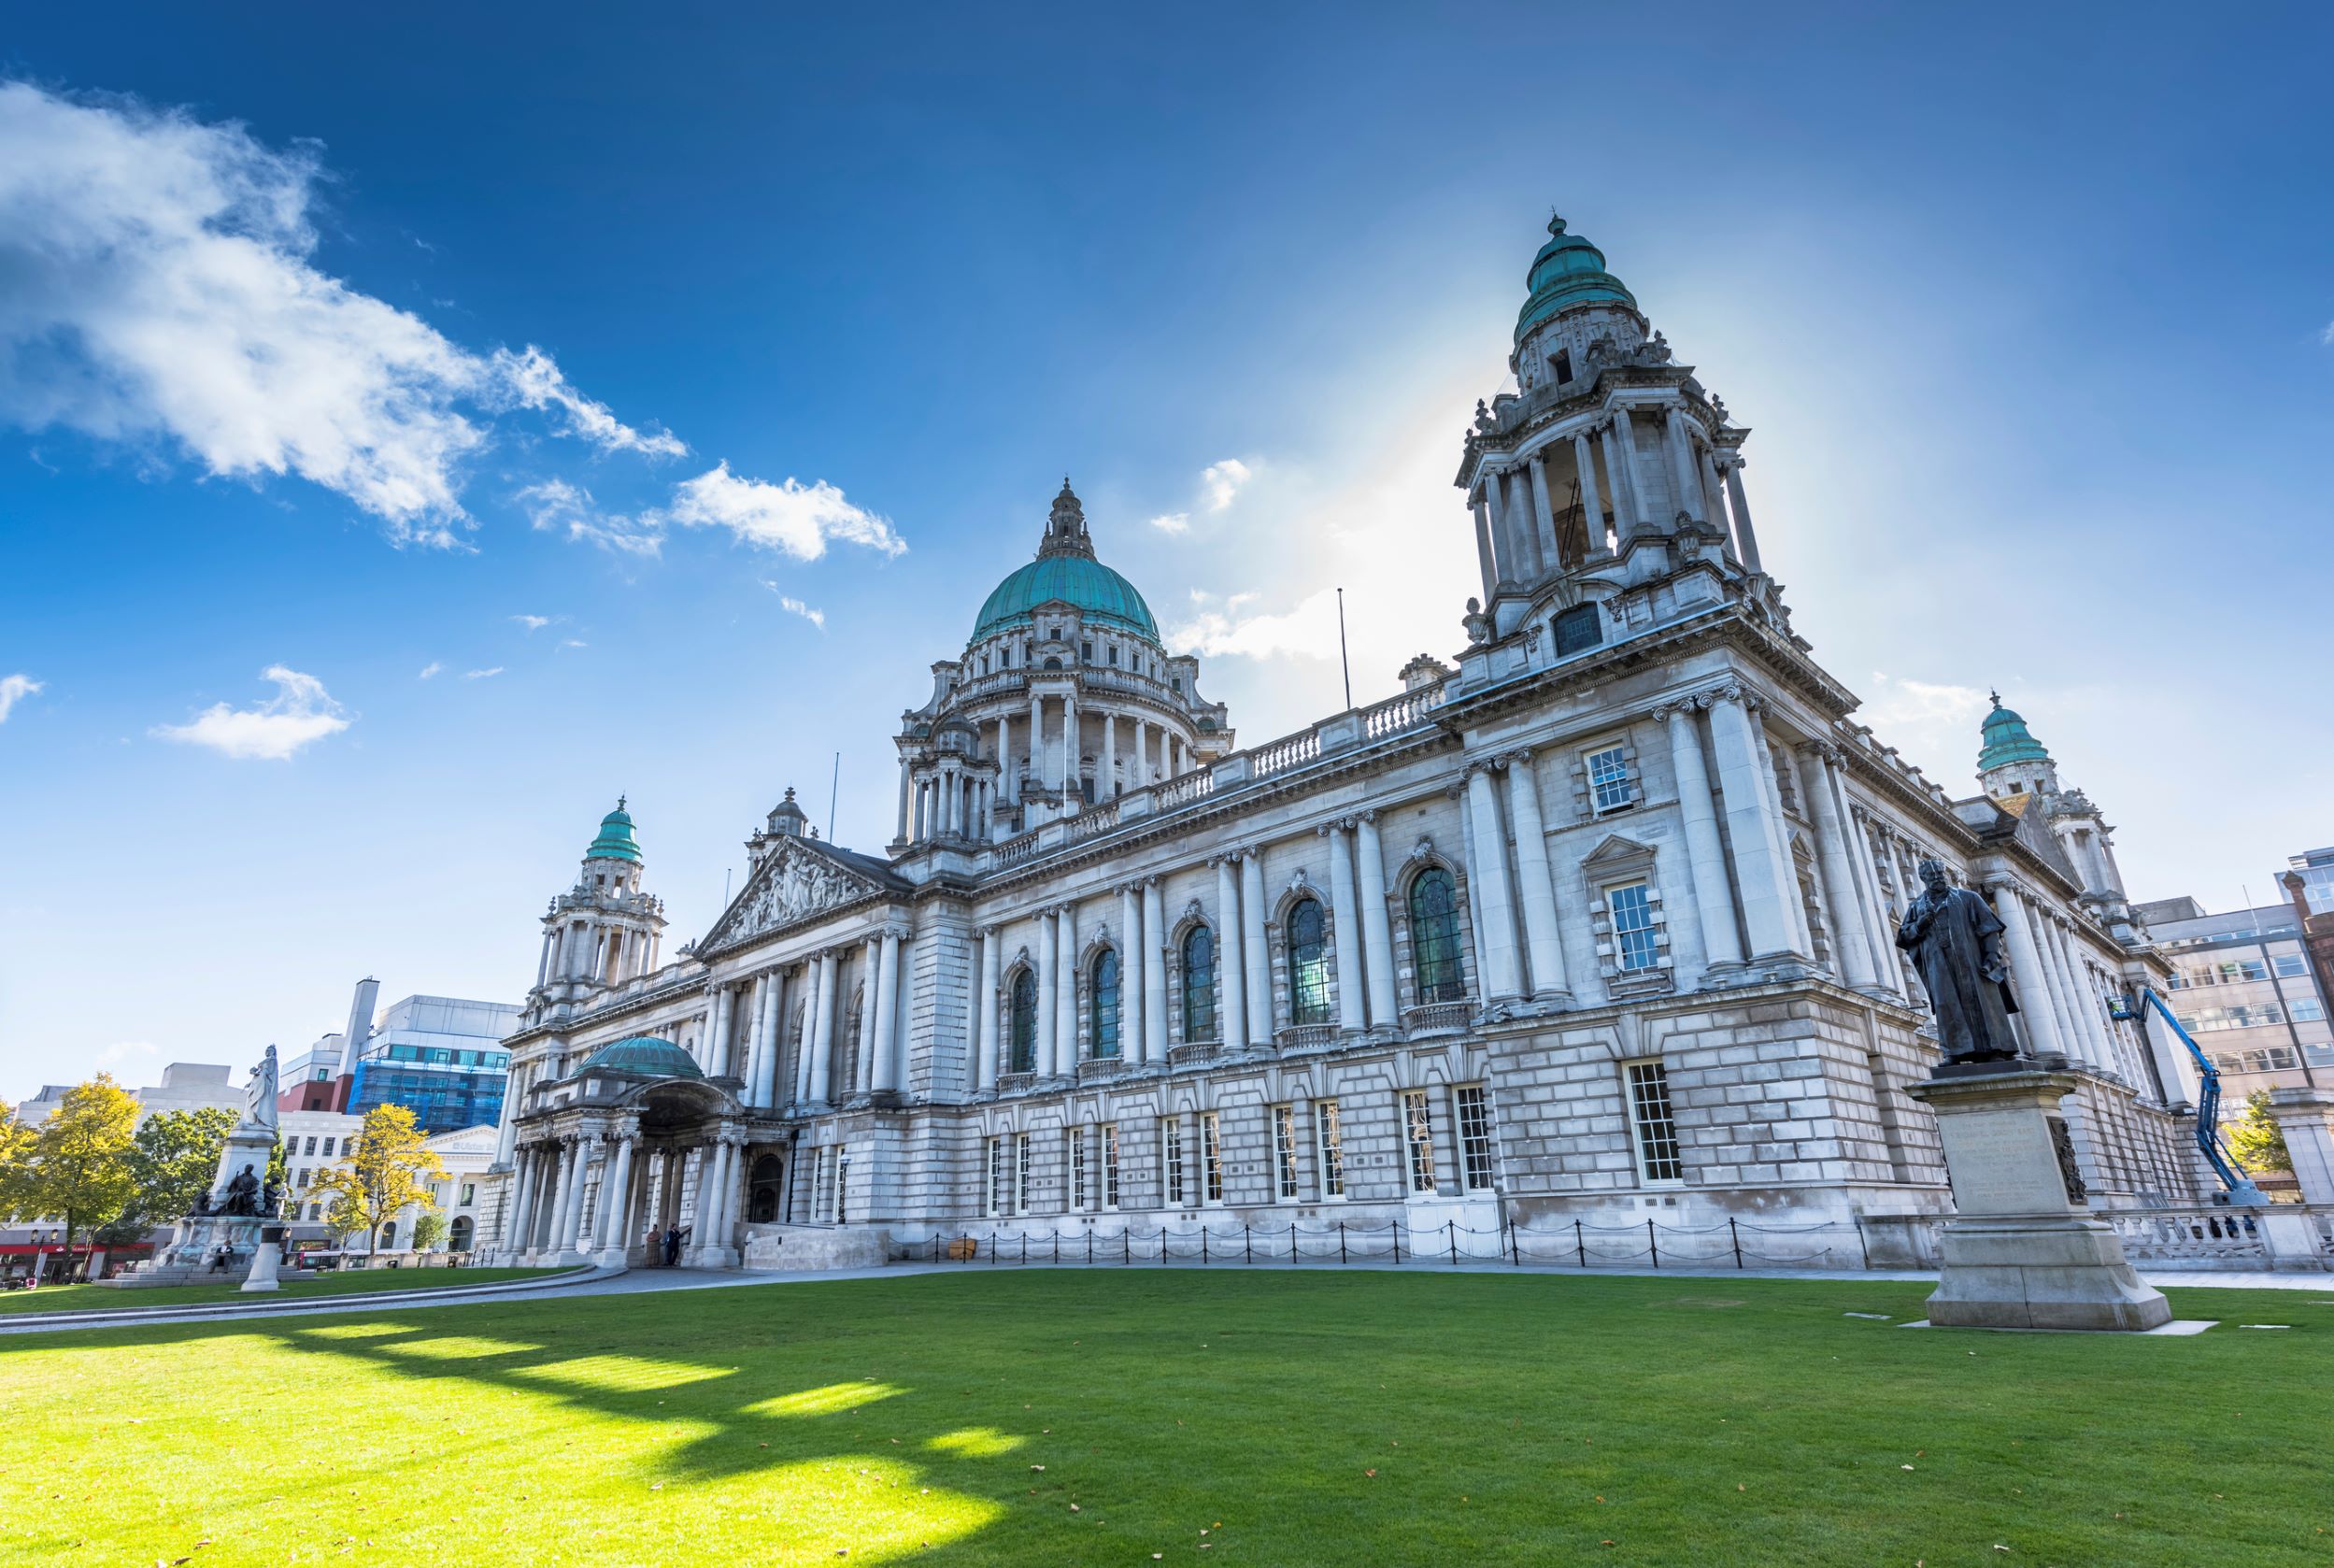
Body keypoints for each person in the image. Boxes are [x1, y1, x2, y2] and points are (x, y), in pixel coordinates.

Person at [1895, 858, 2024, 1065]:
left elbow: (1989, 928)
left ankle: (1996, 1048)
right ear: (1923, 879)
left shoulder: (1968, 898)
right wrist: (1919, 925)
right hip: (1940, 965)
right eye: (1932, 876)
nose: (1937, 879)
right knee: (1947, 1004)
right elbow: (1903, 937)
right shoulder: (1917, 906)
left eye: (1940, 874)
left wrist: (1991, 957)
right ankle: (1955, 1051)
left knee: (1984, 1004)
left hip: (1972, 962)